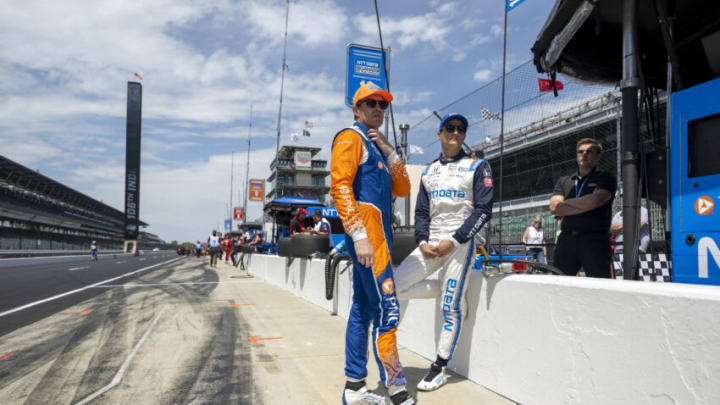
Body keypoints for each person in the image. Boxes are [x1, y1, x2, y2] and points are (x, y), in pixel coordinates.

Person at [394, 113, 494, 392]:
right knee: (393, 286)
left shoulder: (478, 166)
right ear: (439, 134)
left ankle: (439, 367)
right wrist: (422, 240)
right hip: (430, 244)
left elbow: (484, 211)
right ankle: (450, 289)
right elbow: (422, 212)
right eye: (450, 128)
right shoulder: (428, 170)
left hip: (459, 244)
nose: (455, 132)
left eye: (461, 129)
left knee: (449, 308)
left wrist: (456, 239)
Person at [330, 82, 413, 405]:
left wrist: (391, 151)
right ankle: (396, 388)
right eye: (371, 104)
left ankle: (354, 387)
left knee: (363, 309)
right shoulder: (350, 138)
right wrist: (359, 236)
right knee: (387, 310)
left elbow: (403, 188)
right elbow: (340, 187)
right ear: (357, 108)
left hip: (379, 241)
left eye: (383, 105)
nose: (378, 108)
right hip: (370, 241)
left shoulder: (375, 145)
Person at [549, 138, 617, 278]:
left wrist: (565, 206)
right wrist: (586, 204)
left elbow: (596, 200)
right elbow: (554, 207)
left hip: (594, 240)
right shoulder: (564, 180)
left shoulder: (606, 177)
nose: (584, 154)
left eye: (589, 151)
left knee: (599, 285)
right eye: (580, 151)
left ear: (598, 156)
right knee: (558, 282)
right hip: (566, 239)